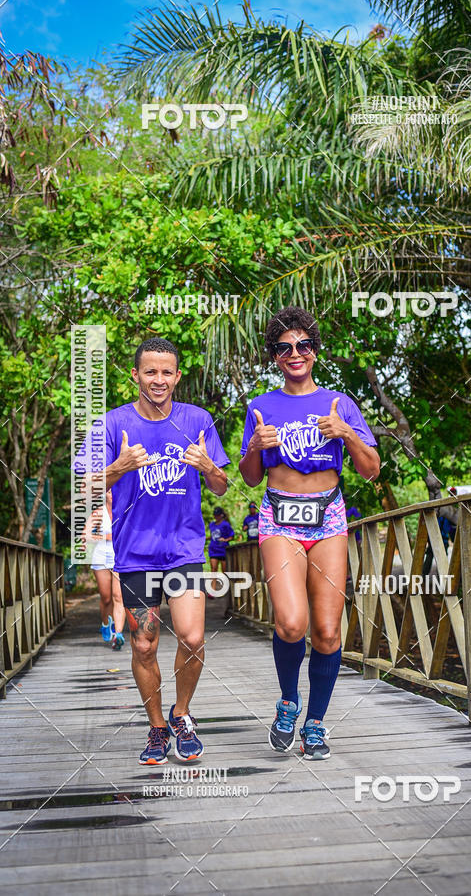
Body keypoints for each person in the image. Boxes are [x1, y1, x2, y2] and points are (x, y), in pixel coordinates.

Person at [80, 337, 229, 765]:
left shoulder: (197, 419)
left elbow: (221, 485)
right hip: (135, 555)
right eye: (150, 371)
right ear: (135, 375)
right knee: (143, 645)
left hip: (183, 548)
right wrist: (117, 468)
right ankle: (157, 727)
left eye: (167, 372)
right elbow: (85, 484)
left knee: (194, 637)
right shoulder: (111, 425)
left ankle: (181, 715)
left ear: (177, 376)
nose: (158, 379)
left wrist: (208, 467)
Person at [240, 306, 380, 759]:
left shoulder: (340, 403)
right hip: (278, 517)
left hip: (328, 518)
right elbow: (248, 477)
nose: (294, 354)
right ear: (275, 357)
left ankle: (315, 723)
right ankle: (287, 701)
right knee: (291, 622)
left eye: (302, 345)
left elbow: (372, 470)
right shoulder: (261, 407)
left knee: (326, 632)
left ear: (315, 351)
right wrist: (256, 449)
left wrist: (347, 433)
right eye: (284, 348)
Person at [84, 491, 126, 649]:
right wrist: (105, 537)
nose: (113, 494)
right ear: (105, 494)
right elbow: (85, 535)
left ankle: (118, 634)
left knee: (119, 596)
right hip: (101, 557)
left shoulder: (124, 509)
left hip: (119, 557)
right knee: (106, 598)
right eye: (109, 491)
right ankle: (106, 623)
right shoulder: (98, 513)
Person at [208, 507, 235, 573]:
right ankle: (213, 583)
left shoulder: (225, 524)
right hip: (213, 550)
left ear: (221, 515)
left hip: (223, 550)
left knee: (224, 570)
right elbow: (213, 536)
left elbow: (232, 536)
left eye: (217, 515)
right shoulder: (211, 525)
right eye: (215, 515)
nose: (216, 517)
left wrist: (225, 540)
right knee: (213, 569)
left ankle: (226, 582)